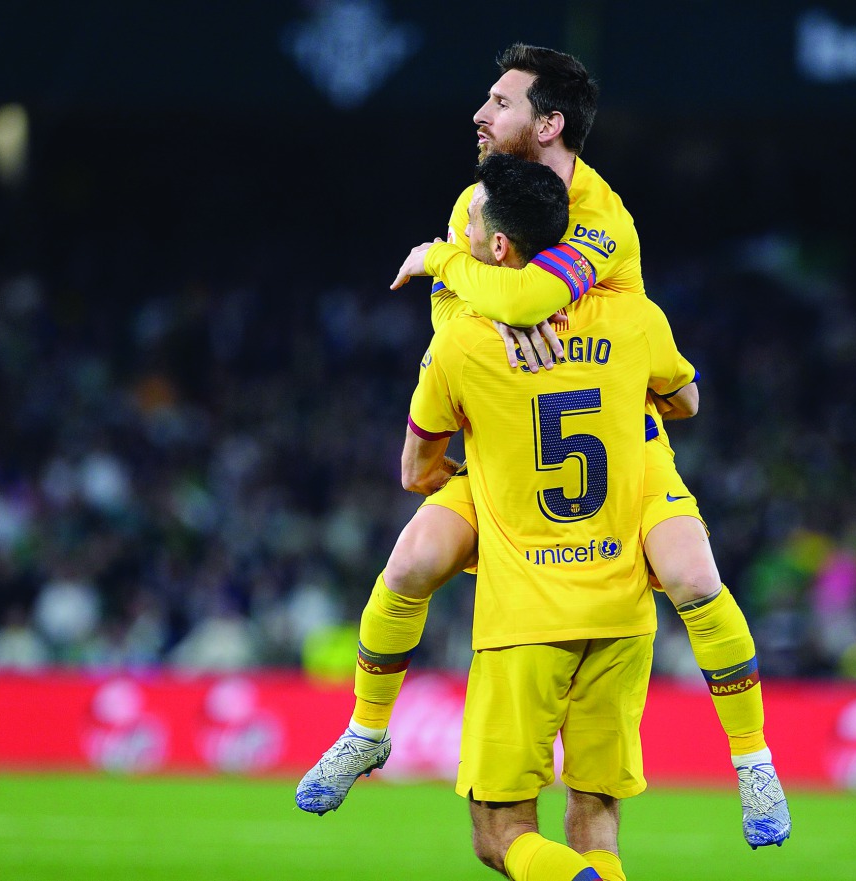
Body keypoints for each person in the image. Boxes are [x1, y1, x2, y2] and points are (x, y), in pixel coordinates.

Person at [297, 44, 790, 850]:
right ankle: (367, 729)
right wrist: (491, 317)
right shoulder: (475, 202)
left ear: (549, 123)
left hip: (618, 437)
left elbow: (523, 288)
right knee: (412, 561)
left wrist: (442, 263)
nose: (481, 115)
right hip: (509, 434)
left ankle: (754, 759)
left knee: (695, 577)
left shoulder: (599, 216)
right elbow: (473, 313)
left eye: (500, 102)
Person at [415, 151, 696, 880]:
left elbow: (416, 471)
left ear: (498, 247)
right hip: (623, 613)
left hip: (525, 618)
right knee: (595, 818)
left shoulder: (463, 342)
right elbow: (687, 399)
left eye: (471, 223)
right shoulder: (634, 317)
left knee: (498, 831)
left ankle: (364, 724)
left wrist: (478, 485)